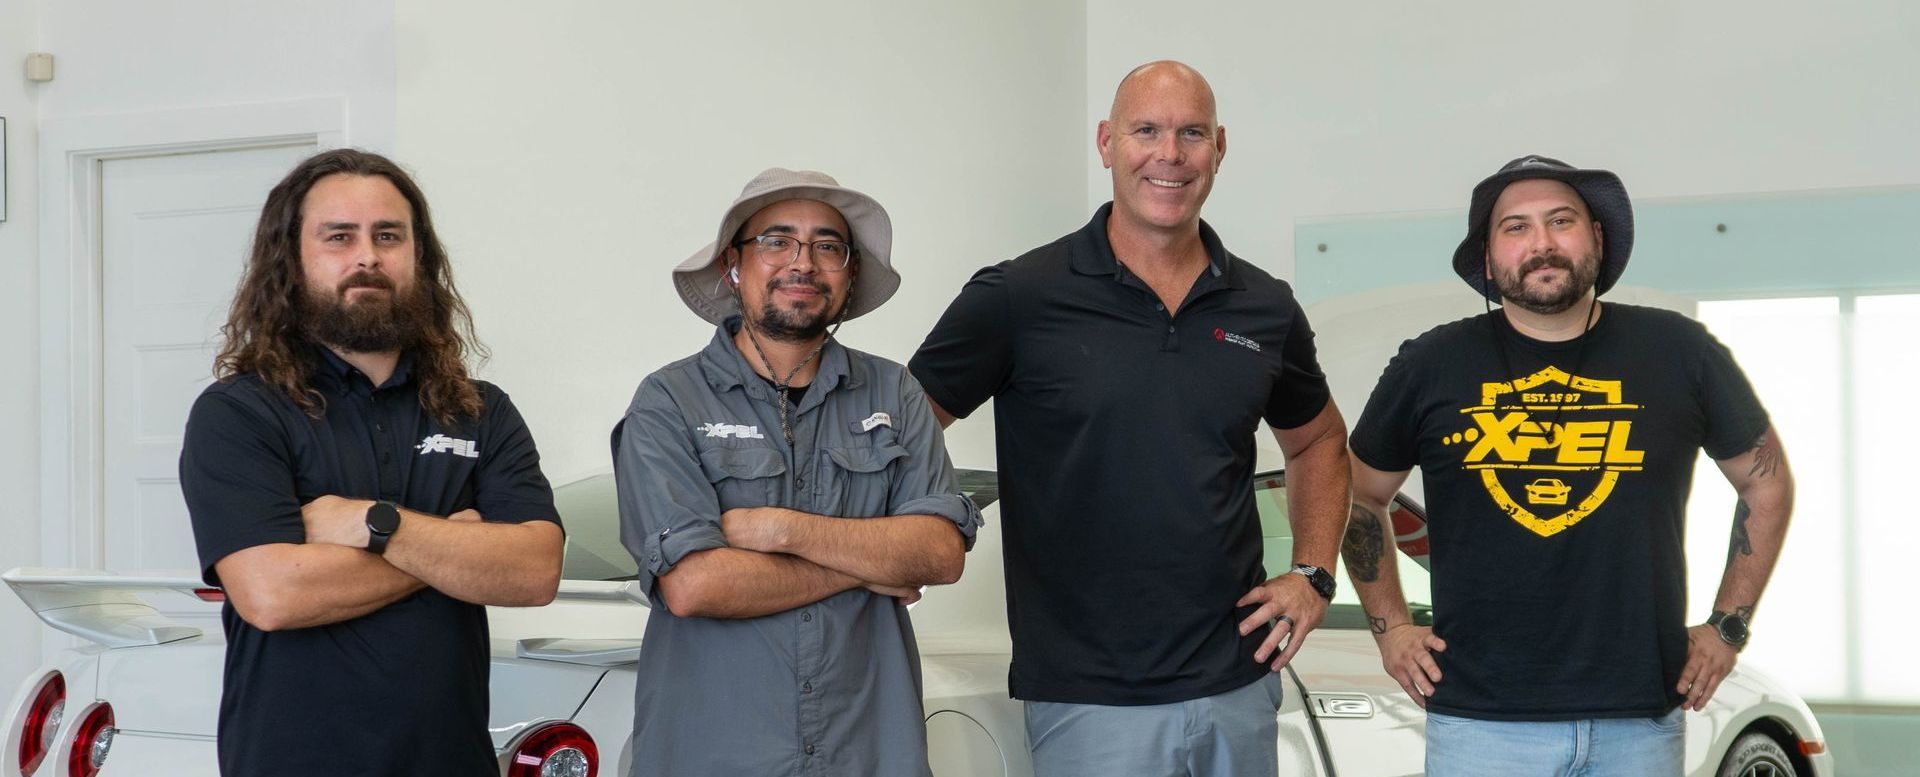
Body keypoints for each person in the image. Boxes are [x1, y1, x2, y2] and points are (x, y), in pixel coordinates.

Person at [910, 61, 1352, 777]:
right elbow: (907, 426)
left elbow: (1320, 440)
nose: (1169, 155)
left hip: (1239, 686)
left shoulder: (1264, 306)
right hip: (1089, 701)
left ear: (1220, 147)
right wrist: (919, 541)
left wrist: (1313, 572)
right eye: (1146, 130)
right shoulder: (1019, 296)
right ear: (1106, 142)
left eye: (1192, 133)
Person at [1343, 155, 1793, 776]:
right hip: (1480, 725)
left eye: (1561, 221)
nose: (1542, 243)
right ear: (1488, 256)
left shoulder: (1679, 352)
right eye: (1516, 227)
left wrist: (1727, 627)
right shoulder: (1432, 364)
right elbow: (1357, 495)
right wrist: (1391, 628)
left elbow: (1766, 484)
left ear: (1597, 238)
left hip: (1638, 720)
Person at [179, 148, 565, 776]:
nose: (367, 256)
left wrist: (376, 524)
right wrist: (456, 548)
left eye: (389, 236)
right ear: (291, 259)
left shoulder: (480, 410)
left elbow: (533, 572)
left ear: (419, 257)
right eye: (339, 237)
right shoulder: (240, 413)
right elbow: (273, 594)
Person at [613, 167, 981, 777]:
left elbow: (939, 554)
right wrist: (866, 567)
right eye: (776, 240)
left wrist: (782, 530)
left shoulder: (896, 391)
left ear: (849, 272)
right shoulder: (668, 401)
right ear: (734, 265)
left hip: (867, 754)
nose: (802, 263)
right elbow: (695, 586)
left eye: (827, 246)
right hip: (713, 757)